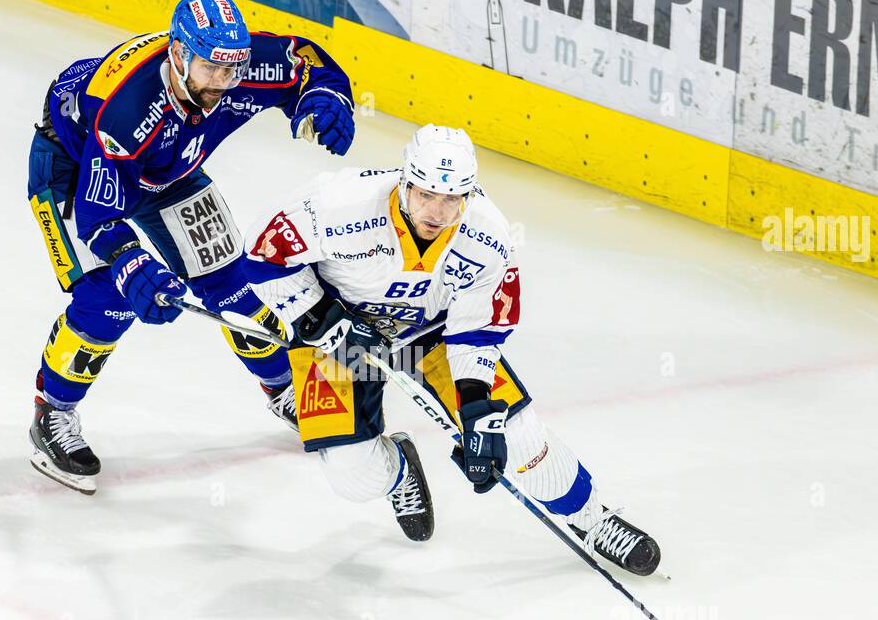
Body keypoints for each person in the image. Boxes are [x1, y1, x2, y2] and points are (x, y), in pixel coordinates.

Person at [241, 124, 660, 575]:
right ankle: (401, 469)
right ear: (404, 181)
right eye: (425, 195)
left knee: (516, 438)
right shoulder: (337, 205)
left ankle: (594, 521)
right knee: (354, 478)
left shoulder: (489, 236)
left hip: (432, 336)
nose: (438, 212)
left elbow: (477, 330)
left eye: (452, 199)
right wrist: (319, 316)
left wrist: (477, 406)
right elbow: (262, 258)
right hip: (339, 339)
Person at [26, 0, 354, 493]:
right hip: (74, 168)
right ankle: (54, 411)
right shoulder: (128, 108)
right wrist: (132, 263)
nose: (223, 83)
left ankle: (284, 386)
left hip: (169, 170)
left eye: (232, 70)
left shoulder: (236, 66)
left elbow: (309, 65)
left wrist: (326, 97)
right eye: (210, 70)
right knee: (108, 297)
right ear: (179, 55)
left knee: (229, 281)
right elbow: (98, 216)